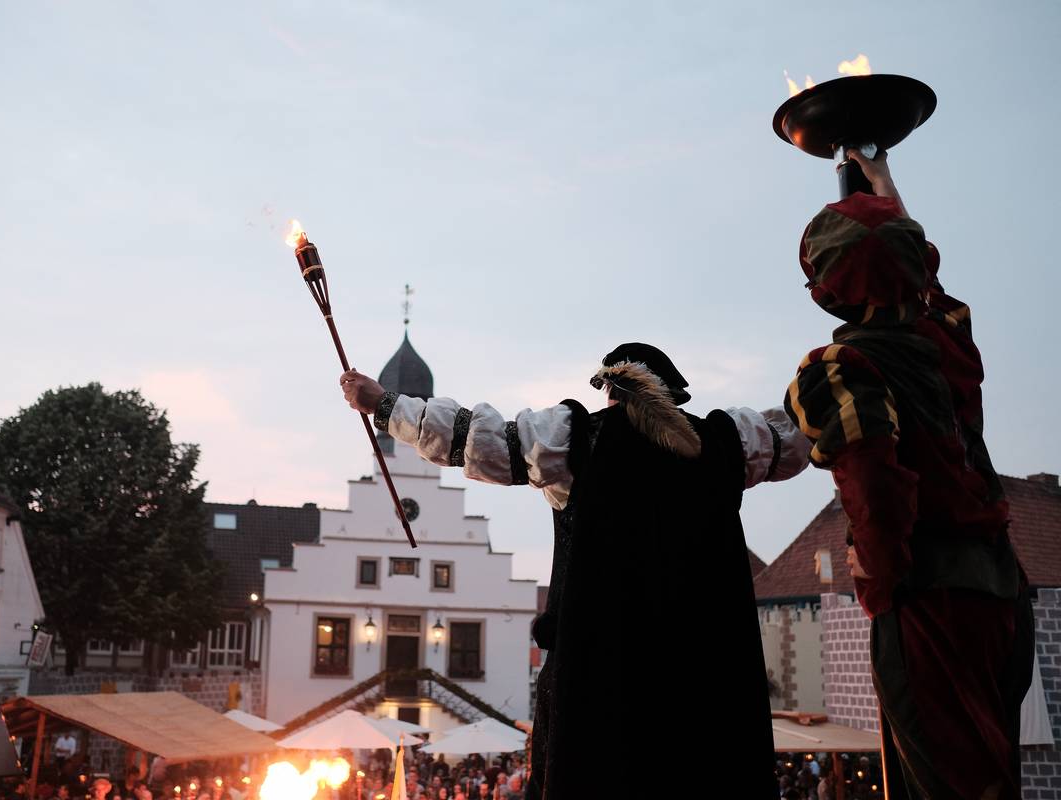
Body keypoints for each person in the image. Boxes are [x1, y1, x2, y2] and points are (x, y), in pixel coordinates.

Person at [341, 342, 810, 799]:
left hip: (602, 665)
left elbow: (475, 439)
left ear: (610, 390)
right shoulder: (726, 440)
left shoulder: (578, 437)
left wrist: (385, 405)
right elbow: (800, 433)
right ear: (674, 395)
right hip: (705, 668)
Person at [784, 150, 1035, 799]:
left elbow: (876, 494)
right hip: (1002, 586)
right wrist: (886, 197)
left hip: (928, 599)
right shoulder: (946, 336)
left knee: (944, 785)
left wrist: (880, 590)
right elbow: (922, 280)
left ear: (825, 288)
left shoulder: (843, 368)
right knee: (990, 775)